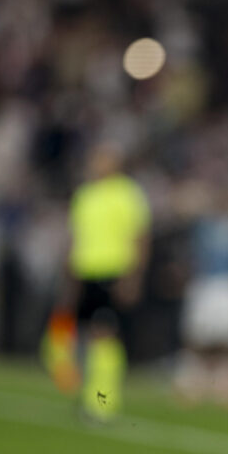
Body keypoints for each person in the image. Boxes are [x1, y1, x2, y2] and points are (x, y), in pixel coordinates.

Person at [58, 141, 151, 422]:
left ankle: (103, 401)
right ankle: (93, 396)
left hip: (113, 271)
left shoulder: (128, 194)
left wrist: (133, 277)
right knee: (88, 336)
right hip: (85, 272)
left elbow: (140, 237)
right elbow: (75, 239)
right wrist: (70, 279)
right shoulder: (85, 195)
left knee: (105, 334)